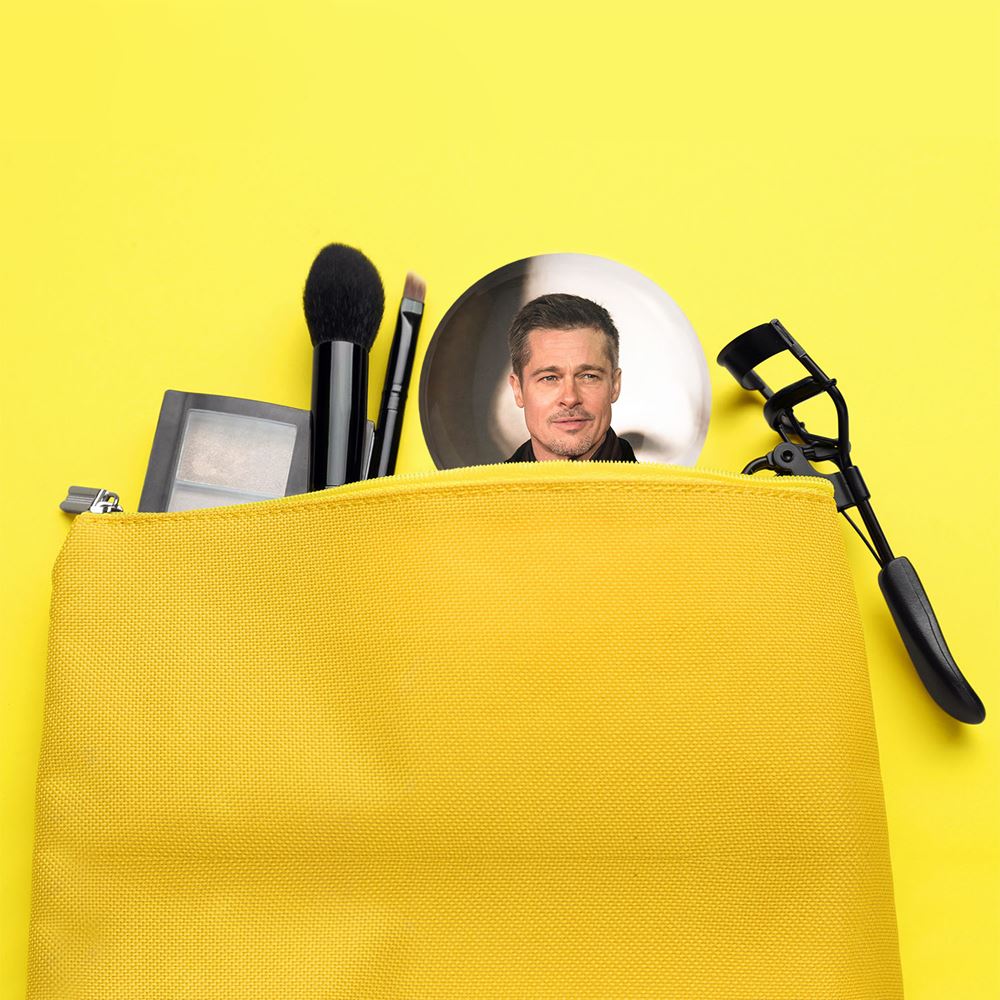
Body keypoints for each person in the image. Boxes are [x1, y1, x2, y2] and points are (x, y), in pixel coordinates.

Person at [505, 293, 637, 463]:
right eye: (550, 378)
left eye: (589, 376)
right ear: (518, 390)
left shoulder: (660, 482)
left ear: (615, 385)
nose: (570, 398)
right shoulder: (485, 482)